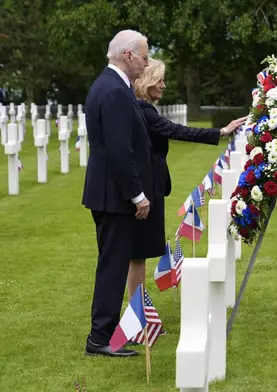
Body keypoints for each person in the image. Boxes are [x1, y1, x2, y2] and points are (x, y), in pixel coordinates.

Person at [125, 58, 246, 306]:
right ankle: (138, 316)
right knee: (137, 255)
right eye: (159, 80)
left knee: (139, 254)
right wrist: (221, 132)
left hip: (152, 185)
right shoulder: (143, 110)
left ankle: (139, 312)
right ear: (147, 82)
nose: (163, 85)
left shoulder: (140, 108)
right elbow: (177, 131)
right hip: (146, 188)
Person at [81, 29, 152, 357]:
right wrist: (137, 195)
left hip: (107, 191)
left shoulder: (109, 86)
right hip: (114, 194)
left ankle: (104, 333)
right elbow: (119, 149)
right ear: (128, 55)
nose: (147, 62)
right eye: (145, 56)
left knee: (112, 262)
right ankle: (101, 337)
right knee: (113, 265)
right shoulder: (113, 91)